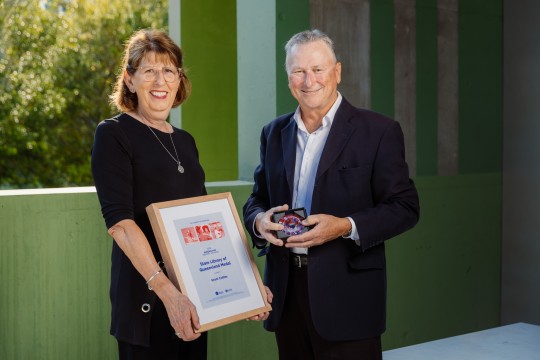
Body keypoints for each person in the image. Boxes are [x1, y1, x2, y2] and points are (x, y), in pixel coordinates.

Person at [91, 29, 270, 360]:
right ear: (130, 80)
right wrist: (170, 296)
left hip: (195, 302)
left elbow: (210, 225)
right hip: (147, 300)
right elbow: (120, 225)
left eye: (169, 70)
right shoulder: (114, 134)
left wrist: (248, 284)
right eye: (149, 70)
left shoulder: (185, 141)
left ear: (179, 81)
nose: (160, 80)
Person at [243, 29, 420, 360]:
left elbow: (405, 207)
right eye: (298, 71)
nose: (309, 80)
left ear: (337, 71)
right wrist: (259, 221)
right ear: (288, 78)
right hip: (286, 294)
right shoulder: (274, 133)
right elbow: (257, 199)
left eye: (318, 69)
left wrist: (344, 226)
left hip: (348, 298)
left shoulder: (378, 132)